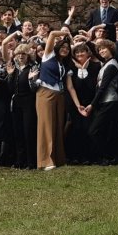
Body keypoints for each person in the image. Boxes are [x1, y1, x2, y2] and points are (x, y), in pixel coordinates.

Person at [35, 29, 73, 170]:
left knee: (57, 125)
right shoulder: (48, 55)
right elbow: (51, 35)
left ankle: (57, 158)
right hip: (45, 93)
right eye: (62, 47)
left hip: (59, 95)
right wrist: (65, 33)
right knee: (46, 126)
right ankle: (45, 161)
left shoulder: (62, 64)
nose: (65, 49)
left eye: (67, 48)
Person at [82, 40, 118, 165]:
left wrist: (92, 105)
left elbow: (103, 88)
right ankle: (107, 157)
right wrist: (87, 41)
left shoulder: (111, 66)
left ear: (111, 49)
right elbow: (96, 53)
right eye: (100, 50)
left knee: (94, 130)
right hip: (104, 102)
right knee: (103, 131)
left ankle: (107, 156)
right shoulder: (106, 63)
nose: (101, 51)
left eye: (104, 48)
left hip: (110, 101)